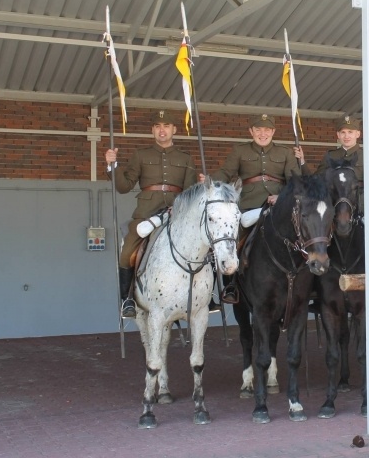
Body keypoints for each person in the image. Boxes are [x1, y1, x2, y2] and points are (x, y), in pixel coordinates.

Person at [106, 110, 197, 318]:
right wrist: (113, 165)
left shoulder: (185, 158)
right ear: (153, 131)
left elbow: (190, 190)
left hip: (177, 211)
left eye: (166, 126)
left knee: (204, 245)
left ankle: (207, 295)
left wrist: (182, 206)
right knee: (127, 250)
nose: (161, 130)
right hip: (146, 212)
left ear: (174, 129)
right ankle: (127, 298)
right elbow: (123, 186)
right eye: (157, 126)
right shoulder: (141, 154)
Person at [210, 114, 303, 303]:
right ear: (251, 131)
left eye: (267, 130)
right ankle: (231, 285)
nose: (263, 133)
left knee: (303, 237)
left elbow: (295, 180)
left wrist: (282, 197)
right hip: (249, 205)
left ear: (273, 132)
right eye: (258, 129)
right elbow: (226, 173)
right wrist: (210, 182)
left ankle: (307, 280)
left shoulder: (285, 152)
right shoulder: (240, 150)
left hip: (279, 206)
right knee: (232, 241)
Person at [296, 115, 364, 193]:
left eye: (350, 132)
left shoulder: (366, 156)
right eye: (343, 132)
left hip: (360, 199)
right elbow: (315, 180)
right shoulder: (331, 155)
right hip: (335, 200)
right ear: (338, 135)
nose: (346, 136)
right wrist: (302, 161)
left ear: (358, 134)